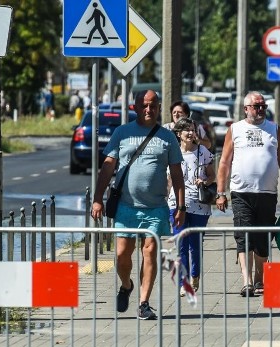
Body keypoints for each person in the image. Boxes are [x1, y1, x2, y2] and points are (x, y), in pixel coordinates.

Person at [90, 90, 186, 320]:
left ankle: (144, 303)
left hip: (155, 208)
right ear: (134, 107)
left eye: (153, 106)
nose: (148, 110)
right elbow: (107, 167)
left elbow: (177, 173)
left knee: (150, 252)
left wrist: (180, 207)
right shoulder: (122, 133)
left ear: (158, 107)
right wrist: (97, 198)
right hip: (126, 206)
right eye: (144, 105)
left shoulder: (167, 137)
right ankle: (126, 285)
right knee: (122, 254)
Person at [216, 91, 280, 297]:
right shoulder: (235, 129)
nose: (260, 110)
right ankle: (247, 281)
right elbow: (224, 161)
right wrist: (220, 192)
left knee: (263, 239)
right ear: (246, 109)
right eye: (256, 106)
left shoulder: (274, 129)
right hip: (241, 192)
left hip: (267, 193)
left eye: (263, 106)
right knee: (244, 236)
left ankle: (260, 277)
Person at [166, 117, 216, 296]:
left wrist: (205, 180)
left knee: (195, 245)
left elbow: (212, 175)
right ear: (178, 134)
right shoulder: (172, 153)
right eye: (186, 129)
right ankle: (183, 281)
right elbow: (169, 181)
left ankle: (195, 275)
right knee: (180, 243)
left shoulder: (202, 151)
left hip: (199, 203)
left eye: (192, 129)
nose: (190, 132)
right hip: (176, 204)